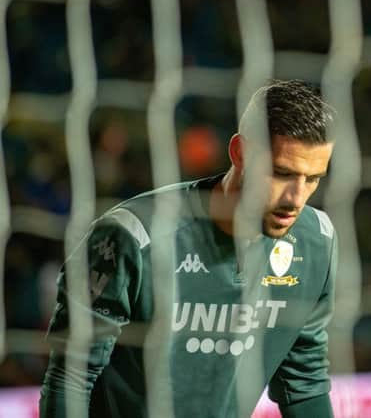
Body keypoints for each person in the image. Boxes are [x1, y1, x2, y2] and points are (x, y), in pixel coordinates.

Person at [39, 79, 338, 418]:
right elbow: (71, 379)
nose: (295, 199)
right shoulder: (135, 236)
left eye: (313, 179)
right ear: (240, 152)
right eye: (281, 173)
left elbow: (304, 385)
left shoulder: (317, 242)